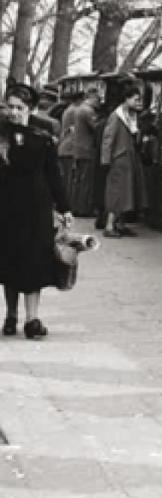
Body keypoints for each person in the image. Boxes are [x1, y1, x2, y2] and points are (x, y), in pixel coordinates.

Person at [0, 83, 73, 339]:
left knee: (33, 261)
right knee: (8, 261)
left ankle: (32, 319)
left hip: (36, 207)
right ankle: (10, 316)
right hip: (6, 206)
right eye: (9, 106)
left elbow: (53, 173)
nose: (13, 112)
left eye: (19, 107)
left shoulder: (44, 134)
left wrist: (64, 207)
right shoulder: (1, 134)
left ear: (31, 109)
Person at [100, 84, 147, 238]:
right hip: (119, 159)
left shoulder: (131, 115)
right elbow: (108, 139)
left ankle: (120, 224)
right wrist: (106, 160)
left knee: (127, 193)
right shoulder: (116, 116)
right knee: (117, 192)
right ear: (127, 99)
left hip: (129, 159)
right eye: (136, 99)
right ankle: (109, 225)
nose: (139, 103)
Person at [58, 88, 102, 216]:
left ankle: (76, 207)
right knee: (85, 181)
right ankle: (83, 208)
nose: (99, 103)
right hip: (86, 150)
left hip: (76, 149)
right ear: (92, 97)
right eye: (98, 99)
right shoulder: (87, 111)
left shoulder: (73, 110)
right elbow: (96, 128)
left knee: (77, 181)